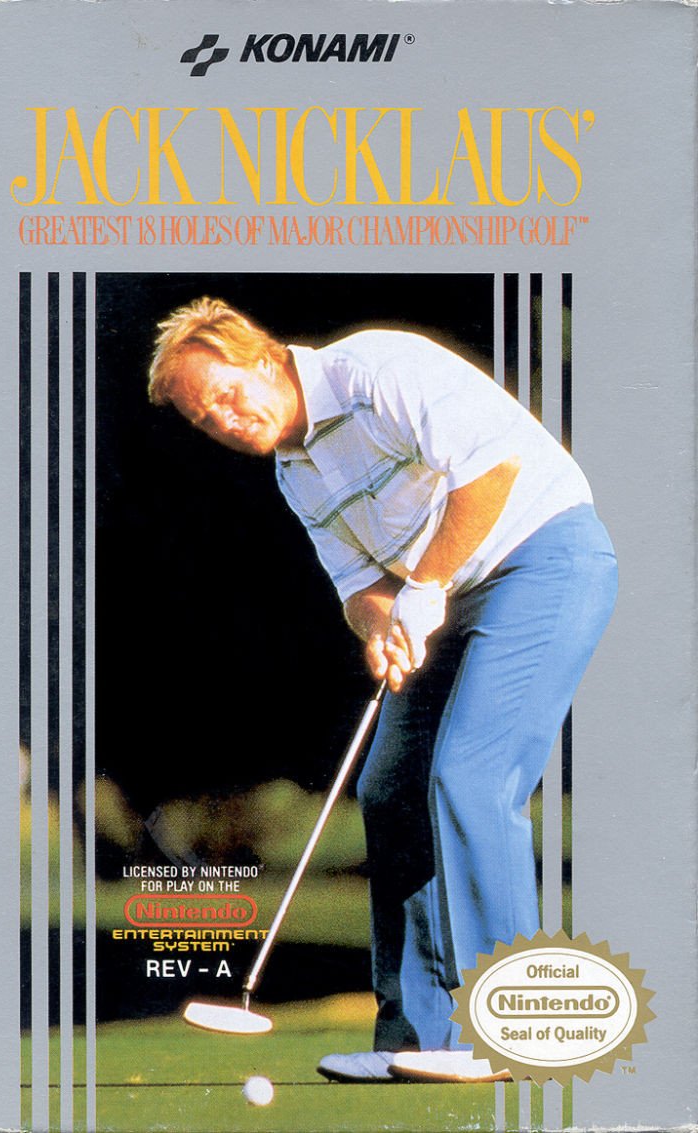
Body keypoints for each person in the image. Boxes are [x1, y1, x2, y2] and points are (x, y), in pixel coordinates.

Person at [147, 297, 618, 1084]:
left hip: (545, 556)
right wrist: (381, 628)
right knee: (391, 785)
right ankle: (415, 1035)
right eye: (204, 419)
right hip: (451, 595)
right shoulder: (295, 472)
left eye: (226, 394)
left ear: (262, 356)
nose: (224, 420)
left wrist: (423, 589)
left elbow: (491, 470)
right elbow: (358, 586)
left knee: (469, 777)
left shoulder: (375, 370)